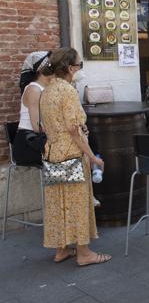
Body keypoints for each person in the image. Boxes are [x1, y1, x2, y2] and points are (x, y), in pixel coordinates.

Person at [39, 47, 110, 266]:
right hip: (70, 152)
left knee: (59, 202)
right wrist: (93, 157)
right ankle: (84, 253)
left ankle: (61, 249)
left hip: (52, 153)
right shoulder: (68, 91)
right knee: (78, 203)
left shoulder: (47, 89)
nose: (80, 68)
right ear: (70, 68)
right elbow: (73, 130)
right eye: (80, 64)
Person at [13, 51, 53, 165]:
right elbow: (37, 127)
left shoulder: (48, 89)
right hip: (29, 143)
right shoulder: (34, 90)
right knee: (69, 151)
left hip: (40, 139)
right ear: (43, 69)